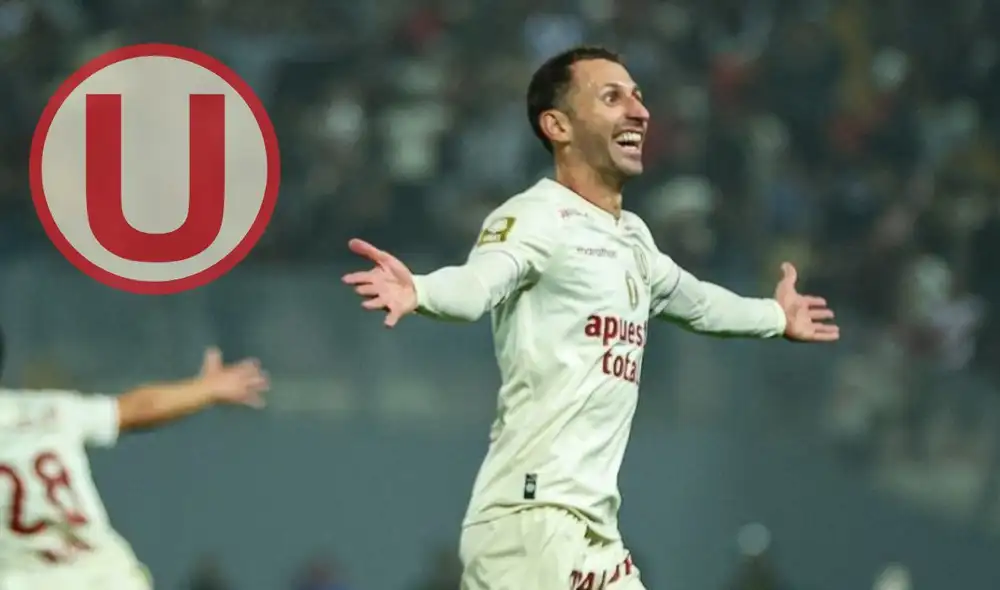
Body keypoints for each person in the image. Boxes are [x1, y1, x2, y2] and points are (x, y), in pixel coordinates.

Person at [343, 46, 839, 590]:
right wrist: (421, 289)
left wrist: (773, 314)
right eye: (612, 97)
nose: (639, 112)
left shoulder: (633, 239)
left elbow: (696, 303)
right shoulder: (534, 216)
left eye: (638, 97)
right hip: (533, 520)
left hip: (593, 529)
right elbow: (480, 280)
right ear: (558, 125)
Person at [0, 345, 269, 590]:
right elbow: (135, 408)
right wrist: (206, 389)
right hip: (107, 576)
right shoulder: (47, 409)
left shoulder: (47, 408)